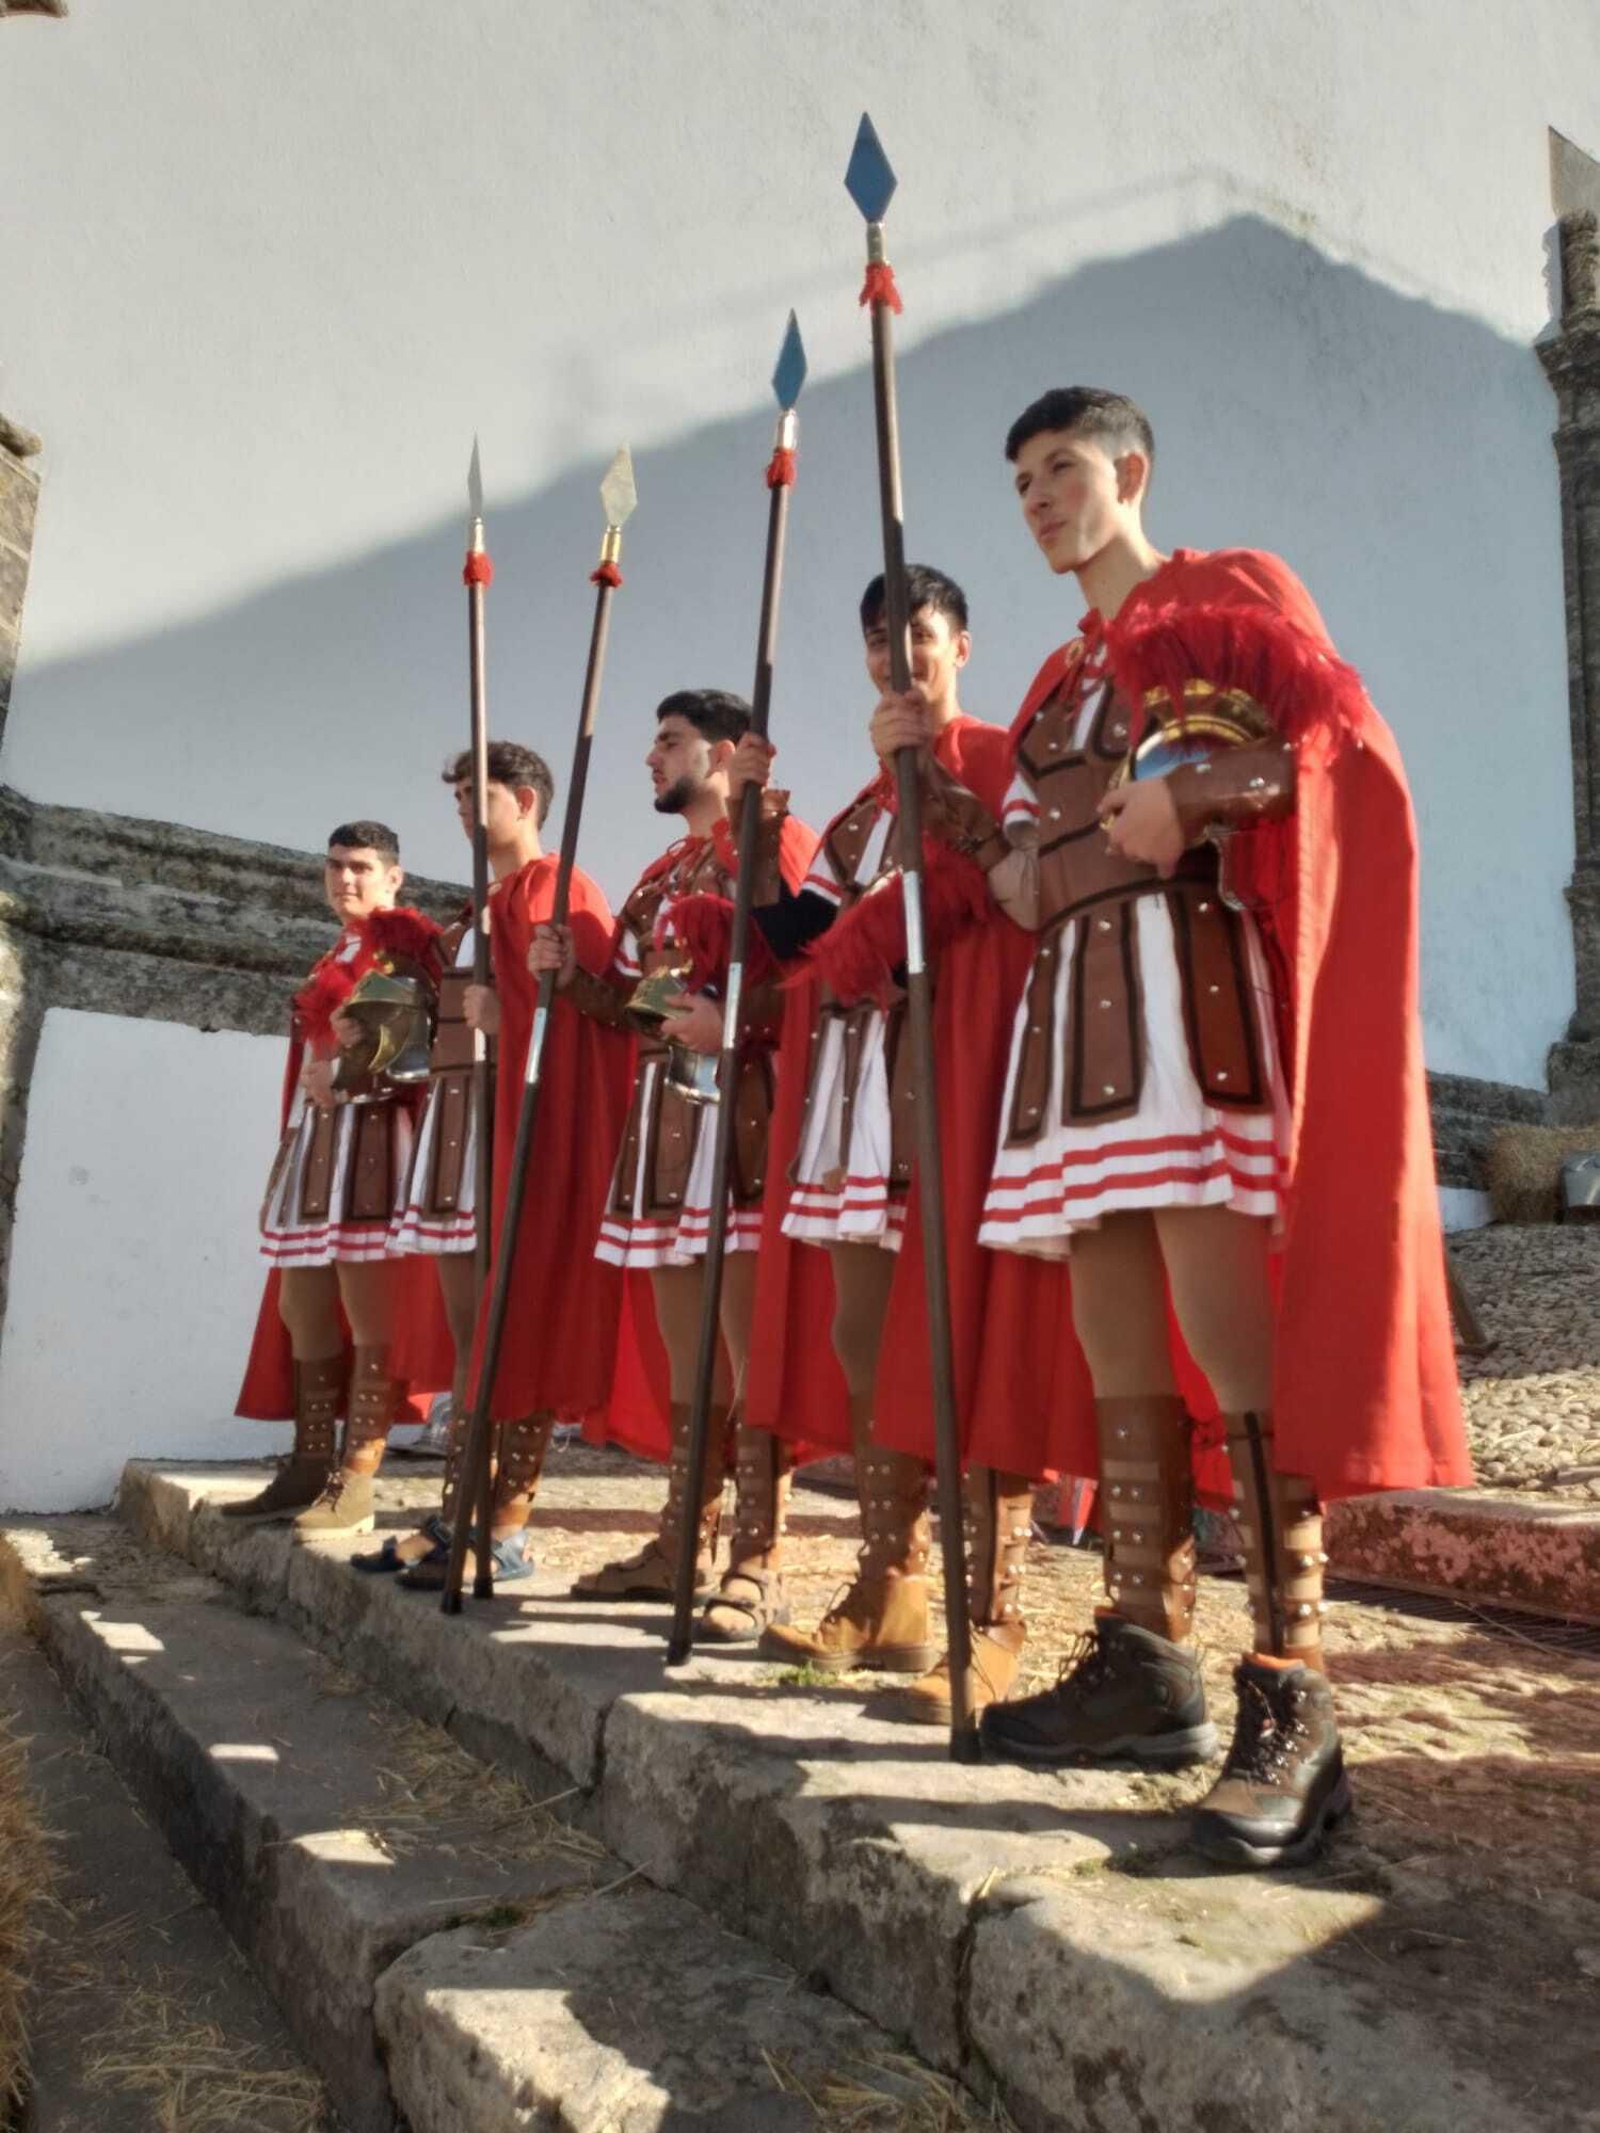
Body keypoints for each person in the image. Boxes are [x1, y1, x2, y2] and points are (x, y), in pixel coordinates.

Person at [895, 386, 1469, 1866]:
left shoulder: (1232, 590)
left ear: (1131, 471)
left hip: (1189, 992)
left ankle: (1297, 1696)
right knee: (1116, 1342)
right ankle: (1145, 1662)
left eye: (1063, 468)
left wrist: (1202, 788)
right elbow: (1021, 885)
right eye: (1019, 477)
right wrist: (937, 791)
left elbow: (1340, 746)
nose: (1036, 496)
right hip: (1073, 1015)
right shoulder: (1058, 675)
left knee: (1235, 1342)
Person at [726, 568, 1077, 1719]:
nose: (897, 659)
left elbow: (993, 883)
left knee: (965, 1333)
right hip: (861, 1101)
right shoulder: (865, 809)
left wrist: (927, 782)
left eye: (917, 637)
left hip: (957, 1076)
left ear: (960, 644)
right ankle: (890, 1584)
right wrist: (756, 832)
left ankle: (992, 1616)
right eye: (879, 641)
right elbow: (809, 943)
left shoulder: (989, 759)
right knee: (867, 1335)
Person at [531, 689, 815, 1626]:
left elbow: (811, 970)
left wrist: (735, 1018)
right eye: (652, 741)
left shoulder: (776, 840)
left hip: (741, 1112)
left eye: (671, 741)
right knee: (688, 1352)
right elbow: (633, 1002)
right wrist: (566, 977)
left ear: (726, 751)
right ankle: (684, 1539)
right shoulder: (659, 874)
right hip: (662, 1121)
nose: (651, 758)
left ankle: (755, 1558)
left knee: (745, 1340)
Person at [363, 742, 628, 1589]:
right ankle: (457, 1511)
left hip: (512, 1130)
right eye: (454, 800)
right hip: (460, 1129)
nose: (463, 813)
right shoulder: (485, 903)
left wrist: (505, 1008)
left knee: (510, 1326)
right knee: (475, 1330)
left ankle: (503, 1524)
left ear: (523, 800)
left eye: (476, 797)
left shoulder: (559, 885)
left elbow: (589, 1011)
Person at [229, 822, 443, 1535]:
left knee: (373, 1309)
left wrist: (345, 1074)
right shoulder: (340, 949)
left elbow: (420, 1051)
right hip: (319, 1139)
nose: (344, 879)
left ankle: (357, 1478)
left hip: (376, 1140)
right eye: (334, 866)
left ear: (393, 876)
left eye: (359, 867)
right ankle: (308, 1462)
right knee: (302, 1305)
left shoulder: (408, 942)